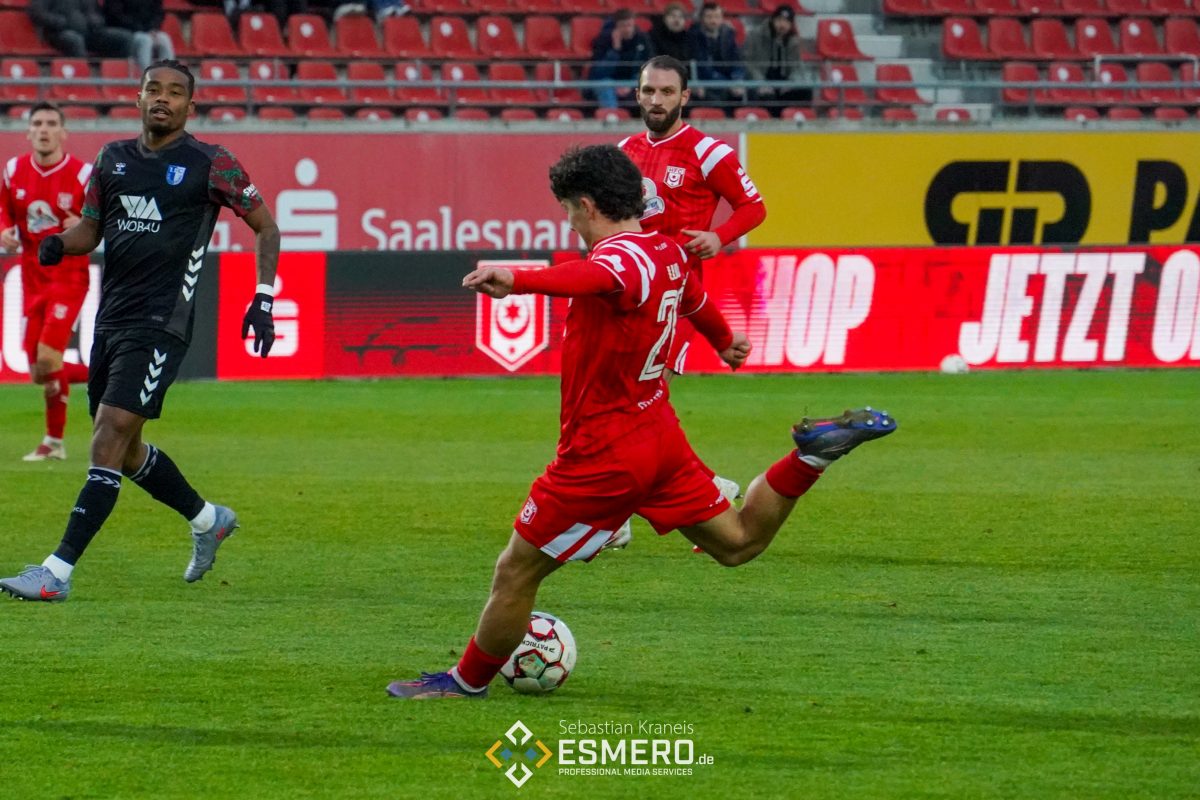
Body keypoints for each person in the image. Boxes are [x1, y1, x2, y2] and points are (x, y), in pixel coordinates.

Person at [385, 144, 897, 699]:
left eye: (568, 211)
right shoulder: (668, 251)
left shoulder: (620, 260)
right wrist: (724, 339)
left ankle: (465, 682)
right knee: (738, 542)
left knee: (517, 570)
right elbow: (693, 298)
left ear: (587, 206)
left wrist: (518, 278)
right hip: (658, 436)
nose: (570, 223)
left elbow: (593, 278)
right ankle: (810, 456)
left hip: (602, 456)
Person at [0, 61, 280, 603]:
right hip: (111, 320)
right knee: (126, 452)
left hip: (162, 321)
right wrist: (59, 244)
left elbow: (266, 226)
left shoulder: (211, 162)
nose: (163, 99)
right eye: (154, 89)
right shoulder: (112, 159)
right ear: (139, 97)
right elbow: (90, 229)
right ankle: (208, 520)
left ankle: (56, 573)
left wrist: (263, 298)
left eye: (175, 93)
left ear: (190, 107)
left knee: (107, 436)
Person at [615, 55, 768, 548]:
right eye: (648, 91)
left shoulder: (708, 152)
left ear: (685, 96)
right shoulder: (624, 152)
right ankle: (707, 488)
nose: (655, 100)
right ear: (637, 94)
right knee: (636, 407)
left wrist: (718, 236)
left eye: (666, 91)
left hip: (674, 299)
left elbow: (754, 206)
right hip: (627, 296)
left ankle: (616, 515)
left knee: (634, 405)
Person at [0, 103, 93, 462]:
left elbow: (100, 220)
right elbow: (5, 210)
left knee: (48, 356)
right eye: (37, 123)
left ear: (63, 132)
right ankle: (106, 374)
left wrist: (83, 224)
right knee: (39, 372)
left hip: (69, 277)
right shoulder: (13, 170)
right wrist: (4, 231)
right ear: (28, 132)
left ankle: (53, 442)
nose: (44, 129)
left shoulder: (83, 175)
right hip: (32, 278)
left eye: (51, 123)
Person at [744, 4, 810, 109]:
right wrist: (760, 82)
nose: (782, 25)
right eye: (779, 20)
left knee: (806, 92)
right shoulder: (755, 35)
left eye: (786, 22)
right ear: (772, 20)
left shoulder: (793, 41)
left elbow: (797, 67)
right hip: (761, 80)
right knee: (768, 98)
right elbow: (748, 63)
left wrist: (792, 82)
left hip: (783, 83)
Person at [588, 9, 654, 110]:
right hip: (609, 81)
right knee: (604, 85)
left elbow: (649, 66)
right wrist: (615, 50)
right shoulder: (603, 40)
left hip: (633, 80)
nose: (627, 29)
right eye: (623, 26)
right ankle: (612, 116)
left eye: (629, 25)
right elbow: (598, 72)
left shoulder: (642, 39)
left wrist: (631, 84)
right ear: (616, 27)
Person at [686, 2, 746, 108]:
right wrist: (728, 84)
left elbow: (737, 61)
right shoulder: (694, 36)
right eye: (709, 17)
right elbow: (703, 68)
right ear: (702, 18)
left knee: (745, 90)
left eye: (717, 17)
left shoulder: (728, 34)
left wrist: (737, 79)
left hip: (728, 81)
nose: (713, 21)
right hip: (706, 82)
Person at [28, 0, 135, 59]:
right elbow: (36, 12)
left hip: (89, 32)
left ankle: (117, 78)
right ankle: (83, 79)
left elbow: (99, 14)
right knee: (75, 40)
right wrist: (59, 22)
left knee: (124, 38)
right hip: (59, 32)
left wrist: (97, 20)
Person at [103, 0, 174, 70]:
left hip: (148, 30)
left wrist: (153, 28)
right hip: (126, 31)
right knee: (145, 40)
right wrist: (143, 30)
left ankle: (167, 75)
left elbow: (158, 12)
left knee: (164, 39)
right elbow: (116, 16)